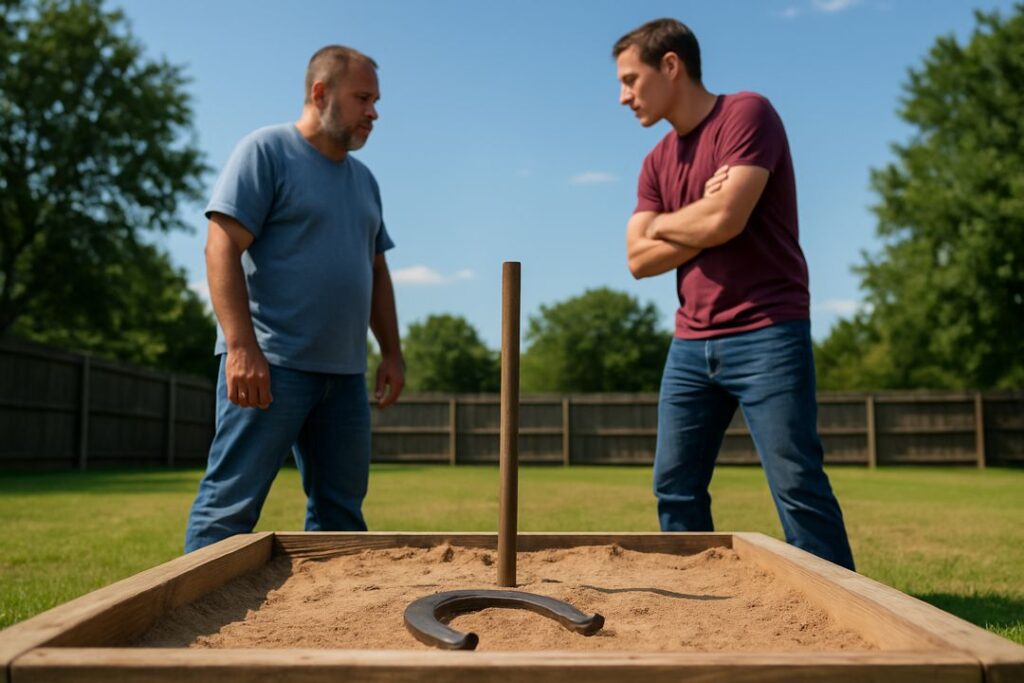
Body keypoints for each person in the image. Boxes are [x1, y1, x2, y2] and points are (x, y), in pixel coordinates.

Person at [614, 19, 855, 570]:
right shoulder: (656, 161)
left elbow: (726, 219)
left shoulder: (747, 113)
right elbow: (637, 259)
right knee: (674, 487)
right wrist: (698, 214)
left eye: (631, 79)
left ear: (670, 65)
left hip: (768, 329)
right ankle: (702, 595)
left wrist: (672, 224)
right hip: (690, 342)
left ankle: (849, 607)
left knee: (796, 482)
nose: (623, 96)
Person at [184, 45, 404, 553]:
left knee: (342, 517)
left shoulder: (365, 181)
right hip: (271, 367)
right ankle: (187, 632)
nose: (374, 112)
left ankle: (337, 627)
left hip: (345, 378)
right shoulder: (265, 152)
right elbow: (221, 246)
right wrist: (241, 348)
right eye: (363, 98)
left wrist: (390, 352)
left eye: (376, 101)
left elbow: (376, 270)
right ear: (320, 93)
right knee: (229, 508)